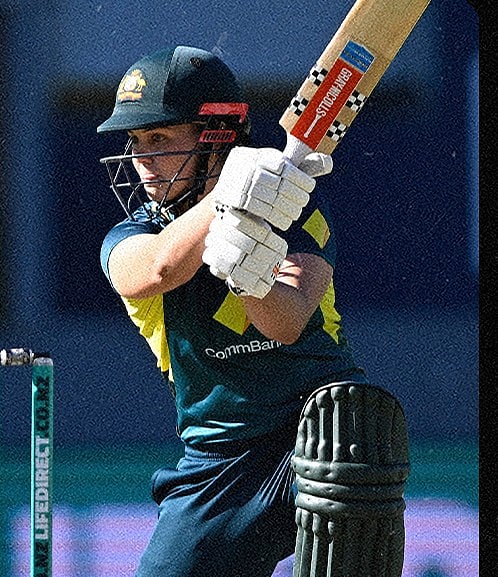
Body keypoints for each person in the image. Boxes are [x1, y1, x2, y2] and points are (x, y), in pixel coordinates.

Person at [96, 46, 408, 577]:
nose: (142, 159)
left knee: (354, 428)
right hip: (221, 460)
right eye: (137, 142)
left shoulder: (295, 210)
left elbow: (284, 322)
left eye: (161, 139)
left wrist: (247, 270)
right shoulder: (133, 234)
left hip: (320, 436)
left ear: (215, 140)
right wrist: (228, 201)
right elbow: (154, 271)